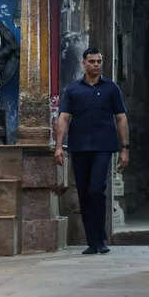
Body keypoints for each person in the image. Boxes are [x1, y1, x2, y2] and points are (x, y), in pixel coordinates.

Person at [54, 47, 129, 255]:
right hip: (79, 147)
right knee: (84, 193)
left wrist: (125, 149)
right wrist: (59, 147)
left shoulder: (111, 89)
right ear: (83, 64)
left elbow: (121, 118)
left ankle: (101, 238)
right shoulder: (73, 90)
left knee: (97, 190)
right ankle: (92, 241)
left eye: (99, 61)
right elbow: (64, 118)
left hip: (103, 147)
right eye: (92, 61)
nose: (96, 65)